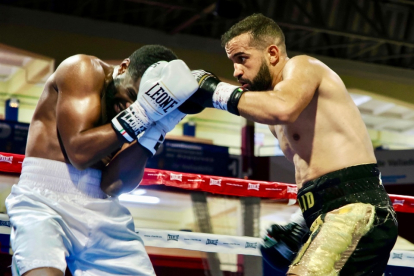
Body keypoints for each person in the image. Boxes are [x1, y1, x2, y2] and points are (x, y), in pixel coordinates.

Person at [184, 13, 398, 276]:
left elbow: (283, 108)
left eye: (242, 59)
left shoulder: (302, 66)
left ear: (272, 53)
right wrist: (300, 222)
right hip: (330, 213)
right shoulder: (274, 116)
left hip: (355, 210)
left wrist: (214, 91)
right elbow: (320, 169)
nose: (236, 71)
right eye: (233, 62)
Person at [5, 45, 199, 276]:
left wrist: (158, 127)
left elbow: (113, 185)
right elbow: (79, 154)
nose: (129, 108)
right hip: (44, 198)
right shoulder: (82, 69)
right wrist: (144, 112)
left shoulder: (147, 114)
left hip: (103, 207)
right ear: (123, 67)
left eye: (142, 104)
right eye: (133, 97)